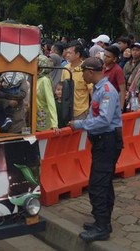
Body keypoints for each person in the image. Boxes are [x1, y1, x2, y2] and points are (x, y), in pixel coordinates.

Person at [65, 57, 123, 242]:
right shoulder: (99, 90)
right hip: (102, 142)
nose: (82, 76)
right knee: (103, 182)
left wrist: (79, 124)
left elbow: (104, 120)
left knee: (97, 185)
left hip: (107, 142)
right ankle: (102, 221)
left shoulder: (106, 91)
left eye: (83, 72)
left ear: (91, 72)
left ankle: (102, 227)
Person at [61, 43, 92, 121]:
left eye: (70, 53)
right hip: (66, 110)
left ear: (78, 54)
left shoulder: (85, 69)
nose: (67, 55)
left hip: (81, 111)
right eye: (66, 52)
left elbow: (91, 90)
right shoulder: (65, 68)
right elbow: (62, 86)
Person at [36, 55, 58, 130]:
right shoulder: (35, 78)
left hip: (42, 117)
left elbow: (50, 101)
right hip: (33, 117)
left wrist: (54, 123)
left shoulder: (45, 80)